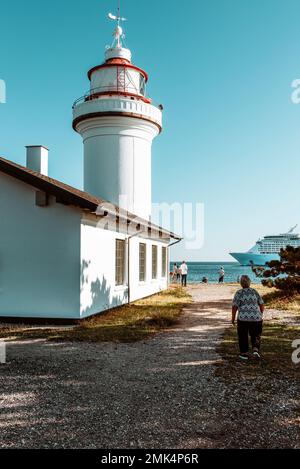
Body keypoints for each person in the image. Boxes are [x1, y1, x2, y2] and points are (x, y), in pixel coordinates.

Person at [232, 275, 264, 360]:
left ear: (241, 283)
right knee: (256, 334)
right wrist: (260, 314)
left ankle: (244, 353)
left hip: (243, 318)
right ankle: (255, 350)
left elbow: (234, 307)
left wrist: (233, 318)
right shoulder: (254, 291)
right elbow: (261, 304)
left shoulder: (239, 293)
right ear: (250, 282)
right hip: (256, 318)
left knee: (243, 335)